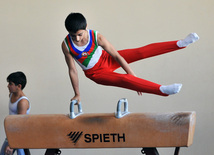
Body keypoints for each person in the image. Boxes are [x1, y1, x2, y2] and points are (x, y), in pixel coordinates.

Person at [61, 12, 199, 104]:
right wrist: (77, 94)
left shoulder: (97, 37)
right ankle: (162, 89)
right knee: (125, 79)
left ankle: (180, 43)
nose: (77, 39)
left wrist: (133, 76)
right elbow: (72, 70)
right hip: (96, 73)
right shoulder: (67, 45)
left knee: (140, 52)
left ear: (86, 27)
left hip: (107, 59)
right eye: (73, 36)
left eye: (80, 34)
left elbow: (116, 55)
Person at [0, 71, 31, 155]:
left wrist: (11, 145)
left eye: (10, 84)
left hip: (20, 136)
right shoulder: (11, 94)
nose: (8, 86)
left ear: (19, 86)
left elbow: (20, 125)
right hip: (11, 133)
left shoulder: (23, 102)